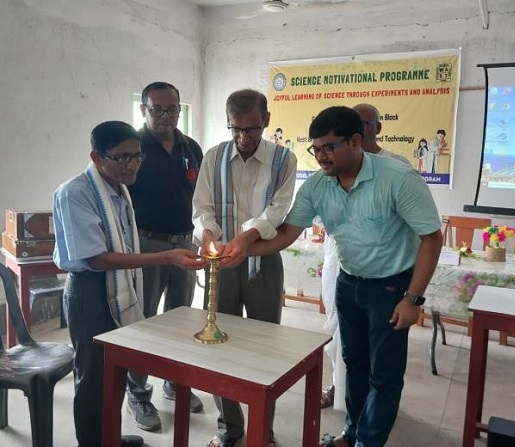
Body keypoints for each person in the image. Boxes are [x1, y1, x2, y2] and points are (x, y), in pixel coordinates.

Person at [223, 106, 442, 447]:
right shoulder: (318, 186)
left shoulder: (397, 177)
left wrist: (413, 298)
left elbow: (431, 237)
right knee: (351, 364)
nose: (321, 157)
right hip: (349, 284)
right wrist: (242, 250)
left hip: (391, 287)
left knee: (383, 375)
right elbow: (285, 233)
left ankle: (368, 442)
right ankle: (352, 433)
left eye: (328, 147)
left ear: (356, 141)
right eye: (316, 149)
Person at [53, 121, 207, 447]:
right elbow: (97, 259)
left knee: (115, 371)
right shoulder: (76, 193)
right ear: (96, 157)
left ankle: (108, 435)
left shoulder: (118, 189)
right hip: (90, 292)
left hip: (117, 286)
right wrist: (165, 258)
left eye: (137, 156)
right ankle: (93, 442)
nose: (133, 165)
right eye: (122, 158)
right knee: (93, 377)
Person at [192, 89, 298, 447]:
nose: (243, 138)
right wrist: (207, 231)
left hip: (263, 261)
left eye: (251, 129)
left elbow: (277, 211)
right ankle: (229, 426)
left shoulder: (284, 160)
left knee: (263, 347)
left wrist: (247, 239)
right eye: (235, 129)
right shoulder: (214, 157)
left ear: (266, 120)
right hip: (221, 260)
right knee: (219, 341)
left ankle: (262, 429)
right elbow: (201, 207)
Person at [318, 103, 412, 410]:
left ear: (376, 129)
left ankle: (376, 406)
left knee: (381, 349)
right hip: (342, 261)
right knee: (340, 331)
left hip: (384, 274)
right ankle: (341, 388)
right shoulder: (332, 169)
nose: (361, 127)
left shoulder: (397, 167)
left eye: (367, 123)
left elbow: (419, 229)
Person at [128, 81, 204, 412]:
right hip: (147, 245)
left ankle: (175, 383)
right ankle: (138, 393)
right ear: (144, 109)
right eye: (157, 109)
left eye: (172, 109)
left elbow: (199, 196)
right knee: (144, 320)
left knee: (181, 317)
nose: (166, 116)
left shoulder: (191, 148)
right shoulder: (134, 148)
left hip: (184, 243)